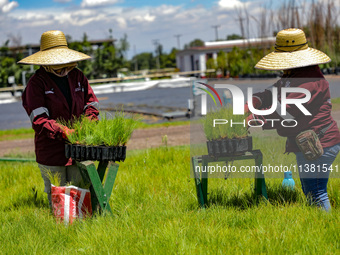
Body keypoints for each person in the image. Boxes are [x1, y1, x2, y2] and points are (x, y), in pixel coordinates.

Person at [246, 28, 340, 212]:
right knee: (310, 190)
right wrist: (257, 99)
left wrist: (256, 117)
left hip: (320, 142)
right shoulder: (292, 77)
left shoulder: (309, 80)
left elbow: (285, 110)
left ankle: (325, 230)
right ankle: (319, 228)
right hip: (309, 142)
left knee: (317, 193)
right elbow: (271, 93)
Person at [19, 30, 99, 208]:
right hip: (51, 152)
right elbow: (39, 120)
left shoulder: (78, 77)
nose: (64, 70)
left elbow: (91, 104)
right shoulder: (36, 84)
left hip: (79, 147)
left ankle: (83, 231)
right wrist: (64, 131)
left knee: (81, 193)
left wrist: (88, 123)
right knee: (58, 198)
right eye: (58, 67)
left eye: (68, 65)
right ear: (46, 63)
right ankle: (60, 232)